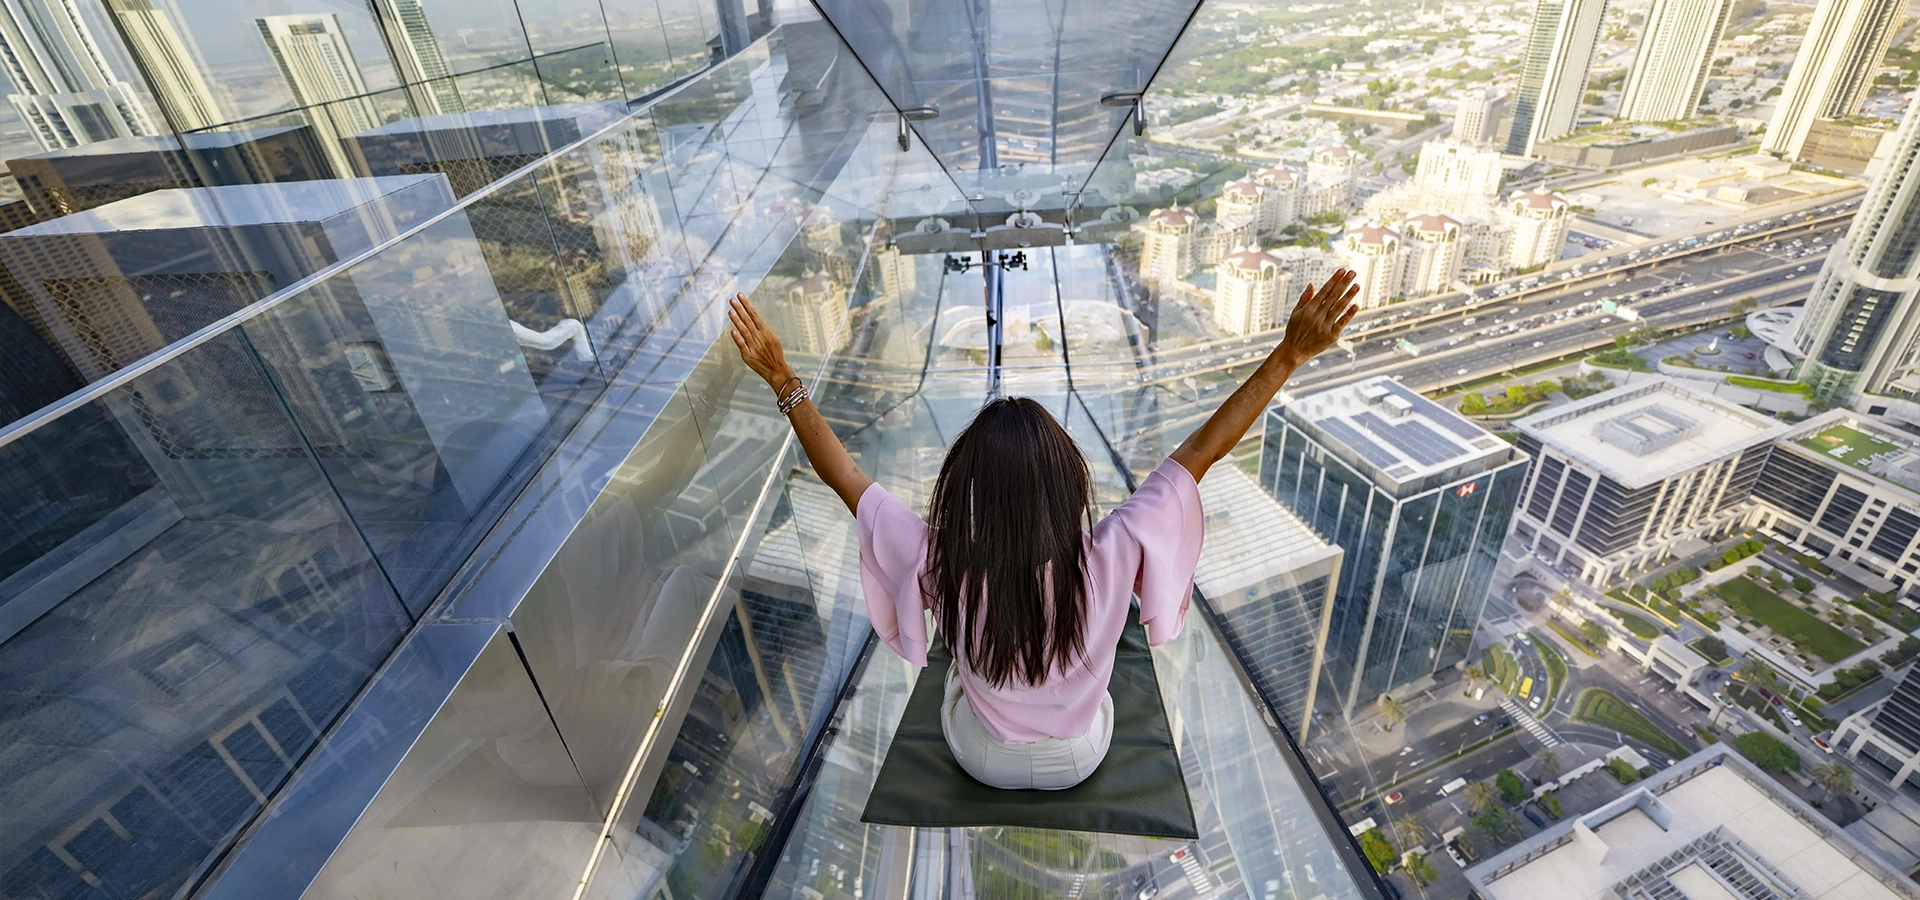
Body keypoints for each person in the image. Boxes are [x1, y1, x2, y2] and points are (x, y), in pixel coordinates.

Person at [727, 269, 1360, 790]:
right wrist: (1289, 355)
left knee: (956, 681)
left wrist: (783, 377)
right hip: (1079, 759)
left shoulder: (941, 565)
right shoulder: (1112, 553)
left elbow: (845, 477)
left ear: (971, 492)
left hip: (982, 759)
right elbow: (1207, 450)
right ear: (1068, 486)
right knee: (1095, 696)